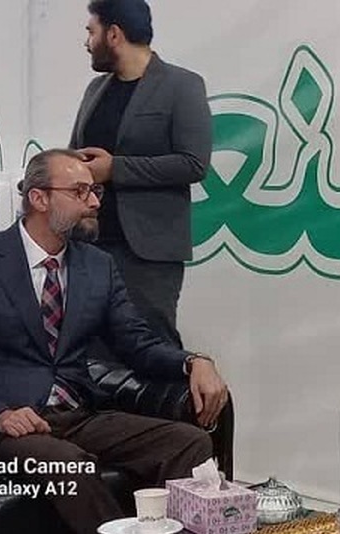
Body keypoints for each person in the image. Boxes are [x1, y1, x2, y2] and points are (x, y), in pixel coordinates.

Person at [0, 148, 229, 534]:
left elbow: (136, 342)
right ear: (39, 198)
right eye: (80, 191)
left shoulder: (97, 265)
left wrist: (193, 361)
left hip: (77, 415)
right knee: (70, 466)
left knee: (188, 442)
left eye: (96, 191)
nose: (95, 202)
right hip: (7, 424)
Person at [70, 0, 212, 347]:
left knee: (149, 347)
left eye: (91, 32)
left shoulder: (183, 85)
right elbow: (75, 151)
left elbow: (193, 163)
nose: (86, 42)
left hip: (147, 254)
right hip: (89, 245)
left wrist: (114, 168)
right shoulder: (95, 90)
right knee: (92, 350)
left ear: (114, 34)